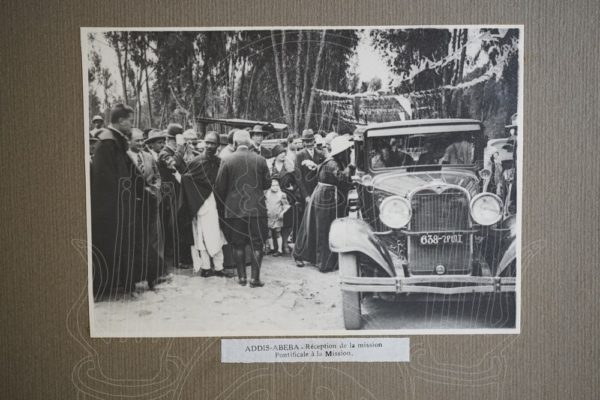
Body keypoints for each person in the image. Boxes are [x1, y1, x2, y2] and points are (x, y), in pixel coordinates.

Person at [90, 104, 160, 298]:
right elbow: (107, 182)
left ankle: (125, 283)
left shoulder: (115, 142)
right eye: (129, 120)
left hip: (122, 207)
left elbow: (131, 174)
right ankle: (114, 286)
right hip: (111, 211)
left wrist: (145, 190)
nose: (132, 124)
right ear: (120, 121)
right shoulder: (107, 144)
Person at [216, 130, 271, 287]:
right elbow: (267, 184)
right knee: (257, 244)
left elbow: (220, 187)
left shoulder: (226, 160)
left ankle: (241, 278)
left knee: (238, 244)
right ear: (249, 143)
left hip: (234, 210)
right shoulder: (260, 160)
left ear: (234, 143)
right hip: (257, 209)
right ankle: (255, 279)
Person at [294, 135, 354, 272]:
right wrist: (351, 166)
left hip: (324, 195)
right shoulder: (333, 163)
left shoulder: (331, 161)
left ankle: (321, 259)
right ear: (342, 152)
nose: (349, 153)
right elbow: (342, 179)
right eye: (347, 151)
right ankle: (324, 262)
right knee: (324, 228)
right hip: (325, 197)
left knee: (320, 227)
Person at [178, 132, 232, 278]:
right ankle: (206, 267)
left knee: (216, 235)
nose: (209, 146)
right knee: (200, 236)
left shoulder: (220, 162)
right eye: (207, 142)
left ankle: (219, 268)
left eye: (212, 143)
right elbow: (185, 179)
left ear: (218, 145)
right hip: (199, 205)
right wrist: (198, 196)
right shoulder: (195, 162)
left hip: (215, 205)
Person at [127, 128, 165, 278]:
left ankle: (156, 270)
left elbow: (157, 176)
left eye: (142, 140)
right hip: (134, 203)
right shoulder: (125, 158)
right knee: (136, 238)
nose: (141, 143)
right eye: (137, 140)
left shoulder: (148, 157)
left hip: (151, 201)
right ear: (129, 141)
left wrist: (155, 189)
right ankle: (138, 272)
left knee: (154, 235)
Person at [157, 123, 188, 269]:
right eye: (178, 140)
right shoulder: (164, 153)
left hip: (177, 194)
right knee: (174, 227)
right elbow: (174, 164)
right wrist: (181, 148)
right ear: (172, 140)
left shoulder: (174, 152)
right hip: (169, 196)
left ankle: (178, 257)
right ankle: (176, 260)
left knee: (178, 227)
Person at [269, 144, 303, 253]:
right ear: (275, 155)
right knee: (273, 220)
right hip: (273, 197)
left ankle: (284, 244)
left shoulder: (289, 166)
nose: (283, 155)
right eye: (280, 153)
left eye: (284, 153)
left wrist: (293, 187)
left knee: (286, 221)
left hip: (287, 196)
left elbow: (297, 180)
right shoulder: (270, 166)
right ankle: (274, 245)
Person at [295, 129, 326, 204]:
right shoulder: (299, 155)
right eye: (306, 142)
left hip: (319, 191)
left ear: (314, 141)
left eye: (310, 141)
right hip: (307, 192)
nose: (309, 144)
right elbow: (298, 178)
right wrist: (306, 196)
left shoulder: (321, 154)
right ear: (303, 143)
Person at [265, 177, 290, 257]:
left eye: (276, 185)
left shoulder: (282, 195)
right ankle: (272, 248)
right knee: (269, 233)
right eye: (273, 185)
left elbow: (286, 206)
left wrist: (282, 213)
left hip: (277, 217)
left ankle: (279, 249)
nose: (275, 187)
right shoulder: (266, 194)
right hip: (268, 216)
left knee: (277, 233)